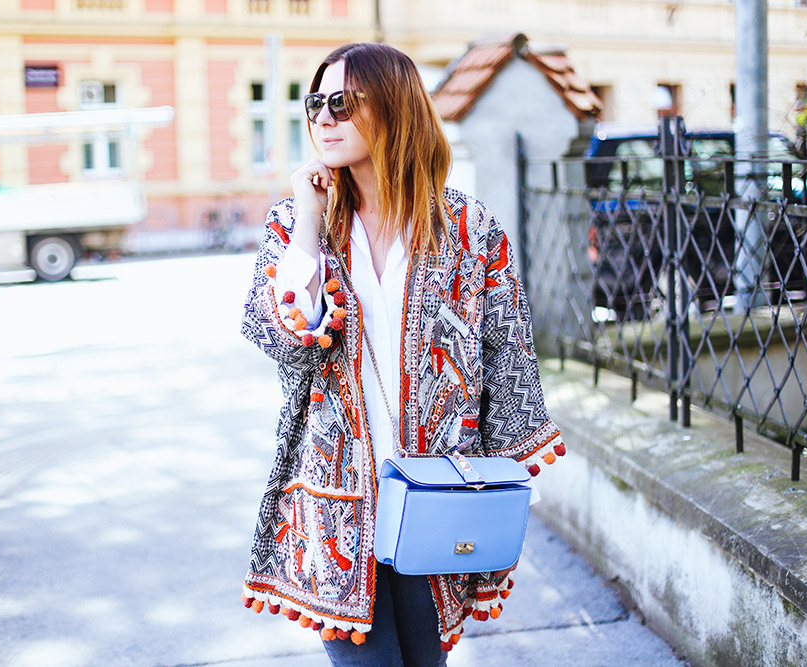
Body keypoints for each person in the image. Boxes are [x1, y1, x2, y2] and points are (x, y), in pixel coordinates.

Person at [240, 42, 565, 666]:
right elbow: (279, 332)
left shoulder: (470, 232)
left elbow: (510, 368)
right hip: (337, 506)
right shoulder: (294, 227)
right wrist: (309, 218)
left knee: (426, 659)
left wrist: (498, 491)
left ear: (394, 110)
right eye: (315, 104)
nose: (324, 119)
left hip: (438, 497)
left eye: (342, 102)